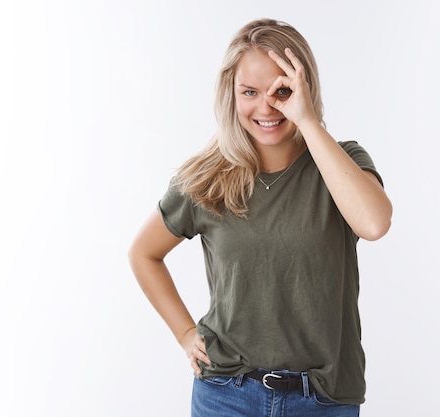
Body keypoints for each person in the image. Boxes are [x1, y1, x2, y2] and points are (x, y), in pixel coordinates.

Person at [128, 18, 392, 417]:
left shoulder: (344, 162)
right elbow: (143, 253)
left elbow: (374, 224)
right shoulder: (208, 178)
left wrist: (308, 121)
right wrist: (185, 333)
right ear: (231, 95)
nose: (267, 107)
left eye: (282, 91)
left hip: (323, 399)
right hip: (226, 394)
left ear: (304, 89)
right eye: (249, 92)